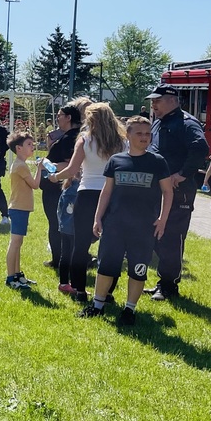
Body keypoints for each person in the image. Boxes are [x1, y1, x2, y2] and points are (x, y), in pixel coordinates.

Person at [81, 116, 173, 323]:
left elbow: (168, 192)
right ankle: (97, 305)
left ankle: (129, 310)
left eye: (148, 133)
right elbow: (106, 191)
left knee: (138, 269)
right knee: (106, 266)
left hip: (144, 226)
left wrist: (162, 219)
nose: (144, 137)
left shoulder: (157, 162)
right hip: (115, 224)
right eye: (139, 133)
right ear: (128, 135)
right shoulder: (116, 160)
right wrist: (97, 217)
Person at [48, 102, 127, 302]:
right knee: (113, 246)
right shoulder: (122, 142)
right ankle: (107, 292)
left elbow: (72, 170)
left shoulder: (85, 139)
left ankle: (80, 290)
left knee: (80, 245)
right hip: (113, 194)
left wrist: (55, 177)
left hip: (87, 194)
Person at [145, 84, 209, 301]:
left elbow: (200, 147)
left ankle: (169, 285)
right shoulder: (159, 122)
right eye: (152, 101)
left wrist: (183, 174)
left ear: (172, 100)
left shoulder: (186, 122)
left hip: (178, 190)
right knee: (156, 234)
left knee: (172, 236)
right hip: (157, 187)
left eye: (157, 100)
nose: (153, 105)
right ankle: (163, 280)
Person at [40, 100, 86, 272]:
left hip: (58, 187)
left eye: (59, 115)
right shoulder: (73, 136)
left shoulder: (70, 138)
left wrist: (48, 165)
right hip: (60, 186)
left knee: (57, 224)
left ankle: (59, 260)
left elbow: (70, 164)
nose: (57, 118)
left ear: (68, 117)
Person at [4, 132, 42, 290]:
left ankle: (17, 274)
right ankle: (10, 277)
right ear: (18, 148)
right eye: (29, 144)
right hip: (18, 208)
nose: (32, 147)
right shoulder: (20, 165)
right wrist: (40, 169)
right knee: (15, 243)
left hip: (21, 208)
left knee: (18, 243)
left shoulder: (21, 164)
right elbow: (35, 185)